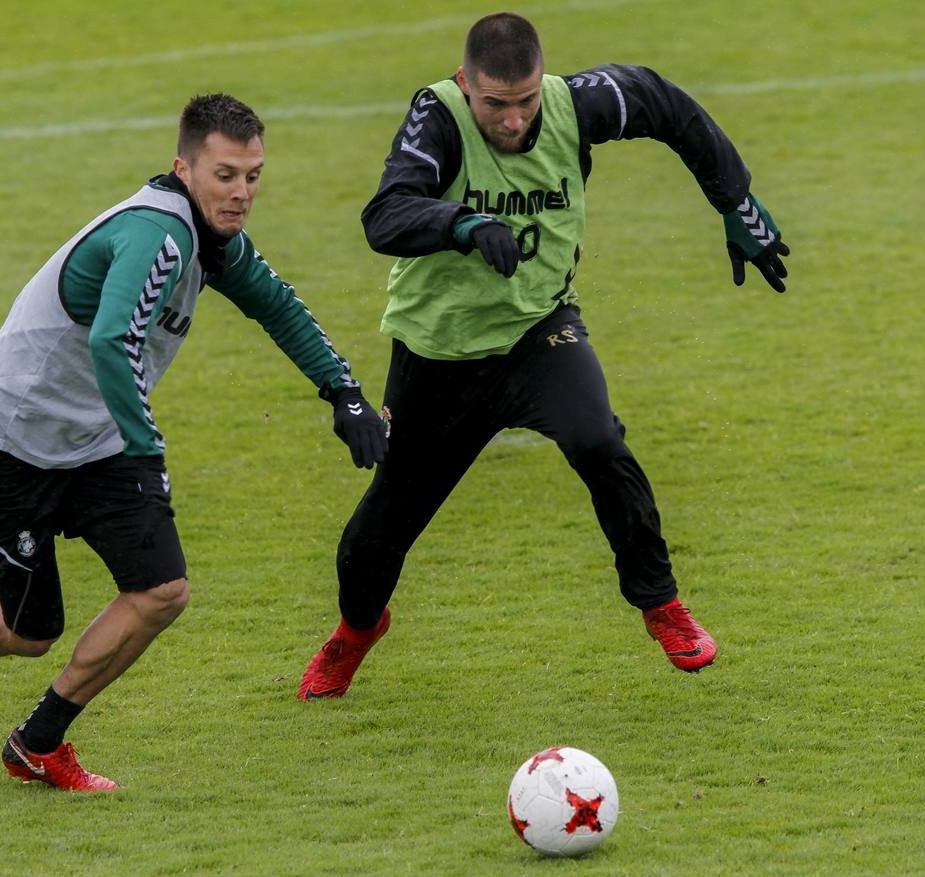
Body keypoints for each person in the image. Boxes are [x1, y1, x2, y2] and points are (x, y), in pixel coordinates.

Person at [297, 13, 790, 701]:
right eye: (495, 104)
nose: (511, 119)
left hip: (539, 332)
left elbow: (666, 104)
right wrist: (462, 224)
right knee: (376, 535)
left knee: (598, 442)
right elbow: (385, 216)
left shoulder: (575, 103)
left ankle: (661, 604)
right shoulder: (436, 116)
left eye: (524, 100)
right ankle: (356, 631)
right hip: (440, 355)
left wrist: (734, 199)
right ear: (466, 83)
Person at [0, 93, 387, 788]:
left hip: (96, 439)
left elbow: (279, 305)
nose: (241, 193)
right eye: (226, 175)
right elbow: (114, 342)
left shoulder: (214, 241)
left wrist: (344, 392)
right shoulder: (160, 234)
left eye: (253, 176)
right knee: (30, 634)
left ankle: (39, 741)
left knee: (161, 591)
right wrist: (147, 453)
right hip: (6, 442)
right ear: (184, 168)